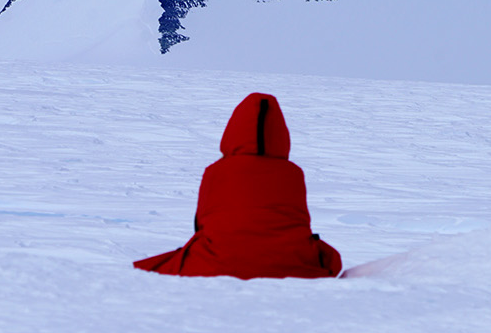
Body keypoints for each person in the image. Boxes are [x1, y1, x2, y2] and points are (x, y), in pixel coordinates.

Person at [134, 92, 342, 279]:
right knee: (328, 258)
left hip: (217, 262)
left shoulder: (215, 171)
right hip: (290, 262)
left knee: (158, 266)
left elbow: (200, 223)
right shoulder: (293, 173)